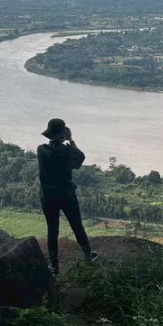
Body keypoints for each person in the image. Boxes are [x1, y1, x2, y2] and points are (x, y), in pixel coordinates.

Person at [37, 118, 98, 275]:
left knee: (52, 230)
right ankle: (88, 254)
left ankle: (55, 268)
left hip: (48, 196)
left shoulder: (41, 150)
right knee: (77, 225)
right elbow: (80, 158)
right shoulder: (66, 152)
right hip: (66, 195)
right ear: (63, 135)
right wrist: (71, 140)